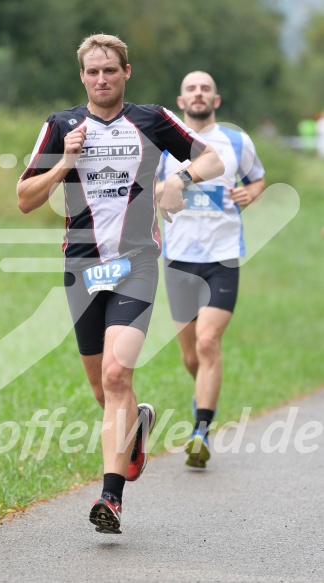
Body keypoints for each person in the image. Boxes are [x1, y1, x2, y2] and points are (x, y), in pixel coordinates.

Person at [17, 37, 224, 534]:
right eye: (93, 72)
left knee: (115, 376)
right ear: (82, 77)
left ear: (126, 71)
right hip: (82, 268)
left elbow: (212, 159)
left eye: (110, 70)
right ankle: (137, 428)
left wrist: (181, 179)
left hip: (136, 264)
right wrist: (64, 163)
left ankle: (111, 499)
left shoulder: (151, 119)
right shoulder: (60, 125)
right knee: (101, 385)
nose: (102, 79)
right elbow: (24, 198)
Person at [156, 71, 265, 469]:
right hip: (179, 258)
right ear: (181, 101)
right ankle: (202, 393)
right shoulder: (166, 141)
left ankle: (201, 430)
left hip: (222, 258)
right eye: (191, 89)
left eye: (205, 88)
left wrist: (248, 193)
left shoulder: (237, 141)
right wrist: (166, 187)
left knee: (207, 343)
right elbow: (145, 188)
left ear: (215, 100)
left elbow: (257, 179)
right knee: (190, 355)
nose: (198, 94)